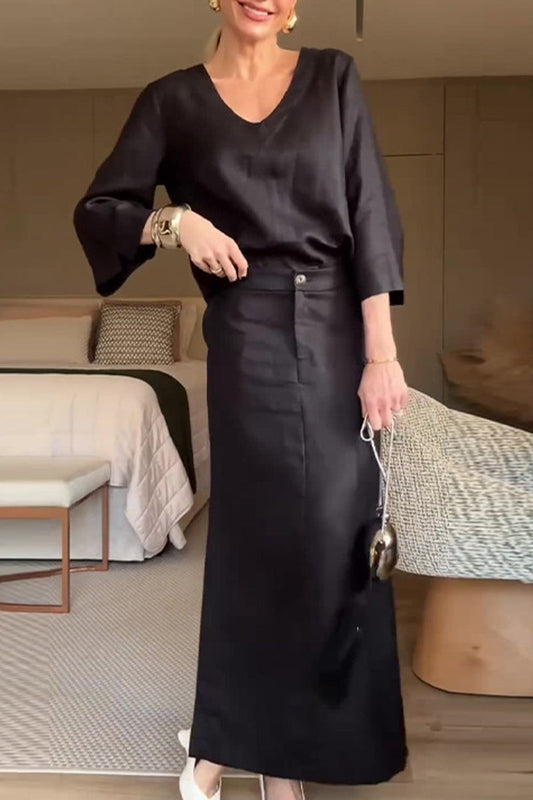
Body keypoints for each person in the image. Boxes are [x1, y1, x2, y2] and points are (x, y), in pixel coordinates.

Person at [73, 1, 410, 799]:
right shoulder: (172, 100)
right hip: (247, 329)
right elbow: (100, 211)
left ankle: (254, 751)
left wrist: (381, 355)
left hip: (338, 332)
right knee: (257, 546)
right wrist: (175, 222)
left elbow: (368, 212)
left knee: (333, 539)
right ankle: (254, 761)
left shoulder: (331, 77)